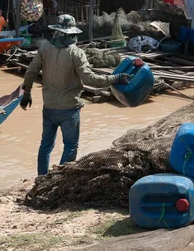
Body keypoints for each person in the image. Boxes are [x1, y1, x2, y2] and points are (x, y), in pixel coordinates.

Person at [21, 14, 130, 176]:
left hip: (49, 107)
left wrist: (27, 94)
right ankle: (59, 179)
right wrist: (116, 78)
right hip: (69, 109)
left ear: (56, 32)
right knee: (71, 146)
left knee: (45, 145)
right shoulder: (76, 53)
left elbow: (31, 72)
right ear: (72, 34)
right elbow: (90, 79)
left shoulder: (45, 48)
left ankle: (41, 178)